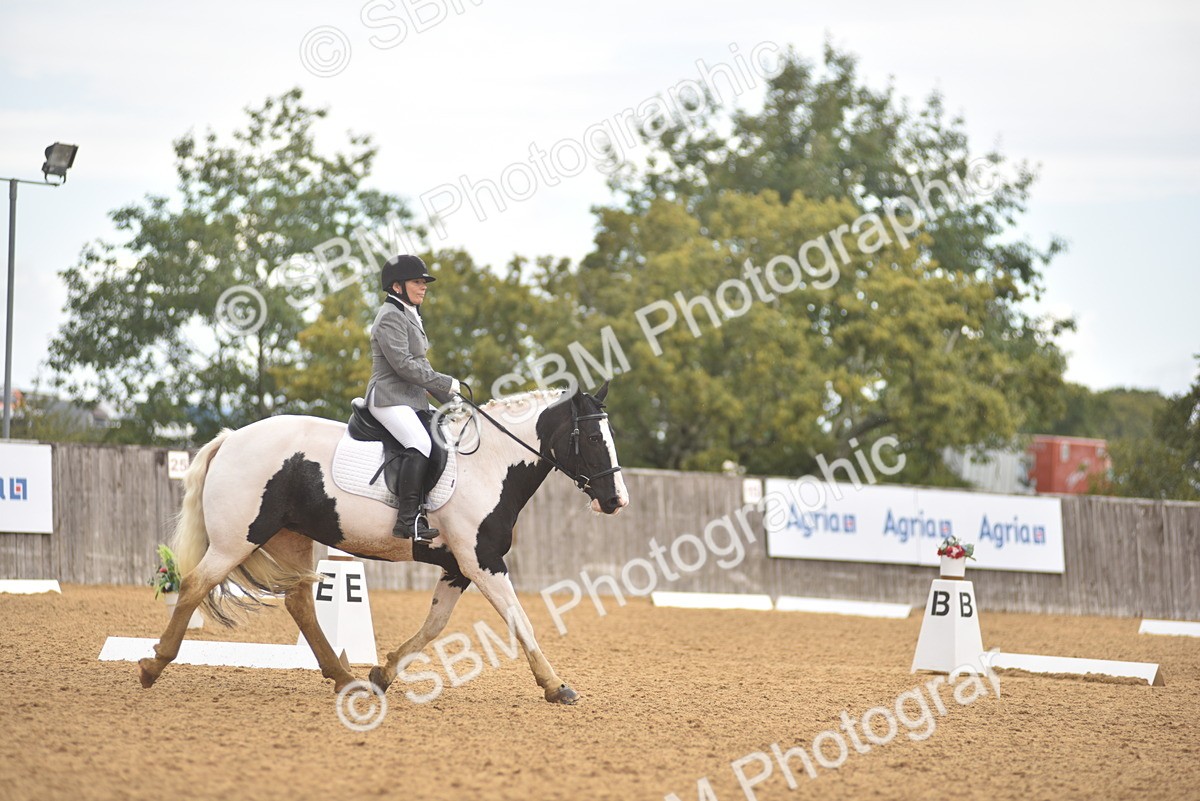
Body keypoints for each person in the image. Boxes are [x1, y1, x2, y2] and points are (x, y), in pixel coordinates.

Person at [366, 254, 461, 540]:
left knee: (445, 434)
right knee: (419, 442)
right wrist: (447, 382)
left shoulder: (409, 314)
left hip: (410, 397)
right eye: (417, 282)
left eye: (424, 282)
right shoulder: (389, 317)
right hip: (388, 397)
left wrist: (451, 399)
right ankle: (407, 520)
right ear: (397, 287)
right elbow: (405, 366)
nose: (424, 287)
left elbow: (422, 366)